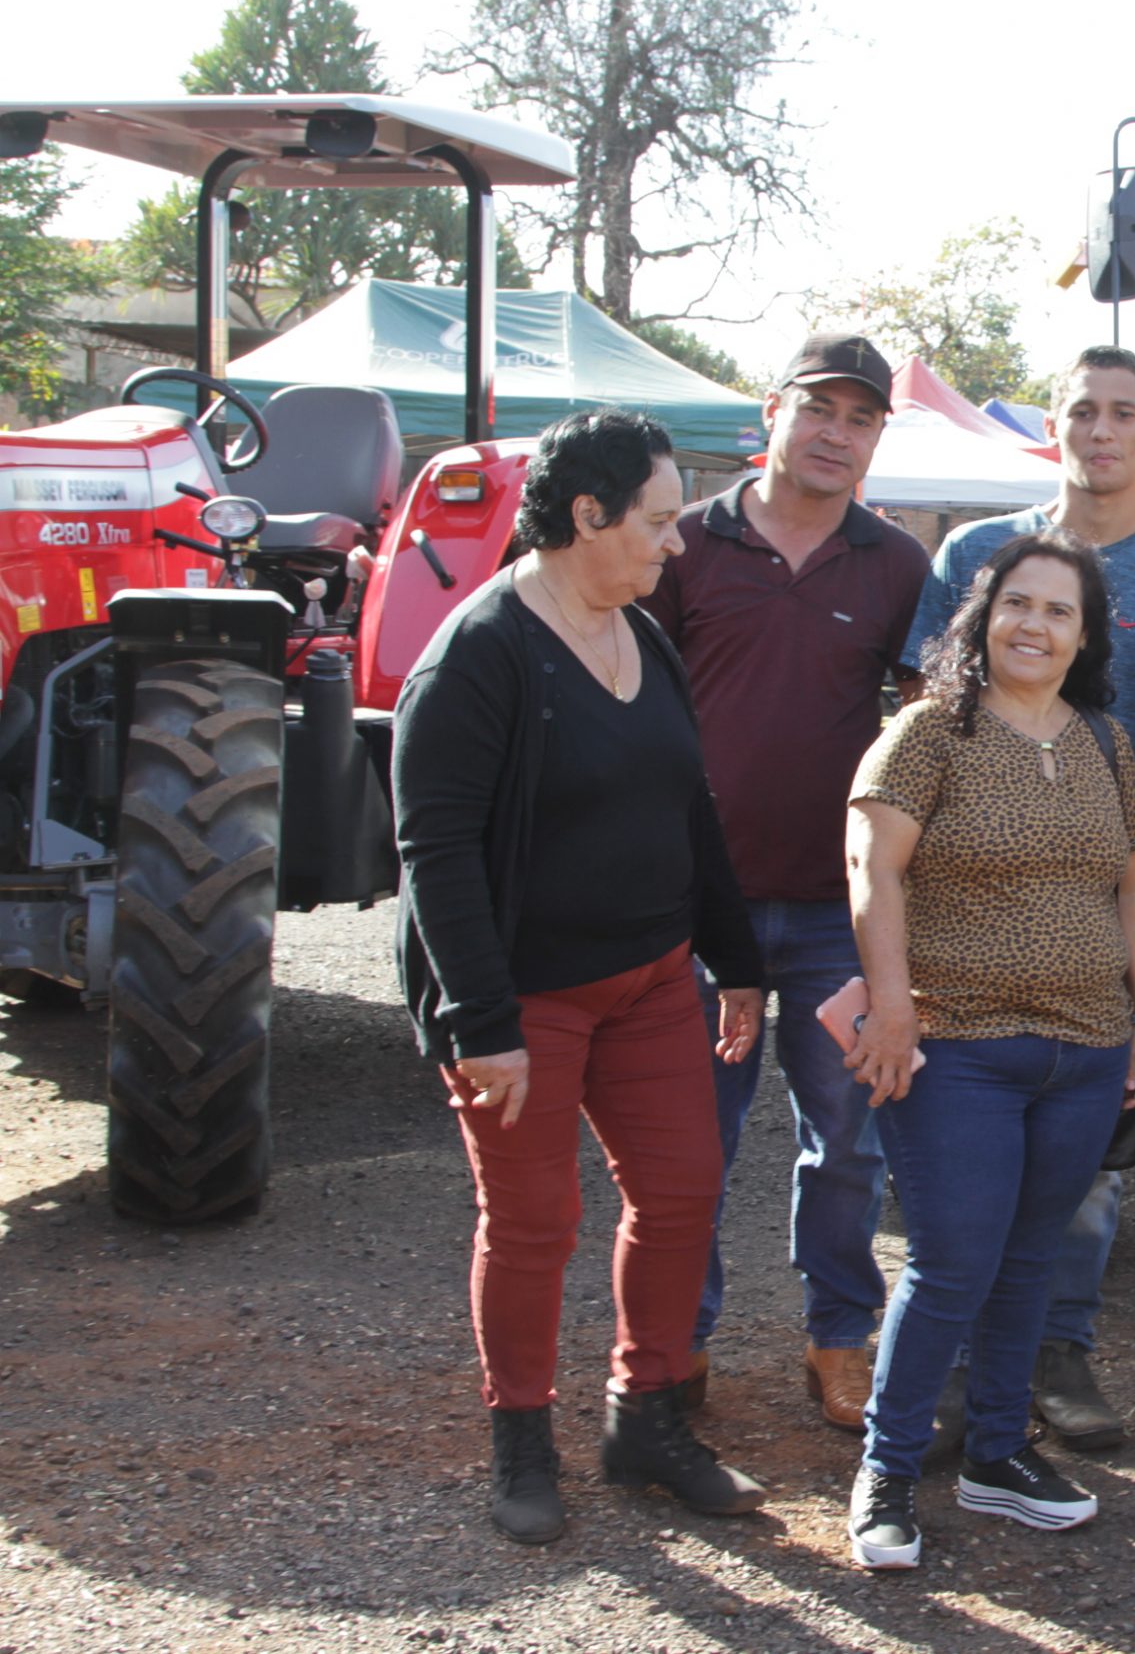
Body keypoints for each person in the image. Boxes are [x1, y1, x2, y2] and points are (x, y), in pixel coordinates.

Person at [393, 409, 769, 1546]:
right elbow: (435, 852)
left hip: (650, 980)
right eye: (658, 520)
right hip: (524, 1000)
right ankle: (520, 1437)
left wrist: (736, 959)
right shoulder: (478, 654)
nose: (676, 542)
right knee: (534, 1221)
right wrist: (482, 1022)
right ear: (588, 515)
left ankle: (645, 1419)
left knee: (685, 1190)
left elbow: (689, 805)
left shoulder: (642, 634)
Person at [897, 345, 1135, 1452]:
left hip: (1105, 908)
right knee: (965, 1152)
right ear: (1054, 426)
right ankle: (952, 1364)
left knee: (1085, 1160)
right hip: (967, 912)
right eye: (1082, 409)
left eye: (1124, 412)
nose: (1101, 430)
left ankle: (1057, 1349)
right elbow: (922, 721)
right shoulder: (976, 556)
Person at [838, 531, 1135, 1571]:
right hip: (957, 1045)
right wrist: (892, 1009)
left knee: (1032, 1258)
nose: (1035, 624)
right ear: (982, 618)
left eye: (1059, 610)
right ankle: (887, 1471)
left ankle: (996, 1453)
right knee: (952, 1261)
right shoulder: (929, 729)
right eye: (1017, 603)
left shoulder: (1105, 740)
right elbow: (871, 867)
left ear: (1086, 635)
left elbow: (1131, 885)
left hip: (1085, 1047)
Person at [638, 330, 928, 1435]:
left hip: (833, 911)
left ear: (878, 439)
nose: (835, 435)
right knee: (686, 1147)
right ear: (772, 411)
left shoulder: (895, 564)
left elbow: (920, 732)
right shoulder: (684, 543)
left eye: (861, 419)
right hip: (690, 906)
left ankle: (839, 1338)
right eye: (819, 410)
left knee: (847, 1142)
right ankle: (673, 1344)